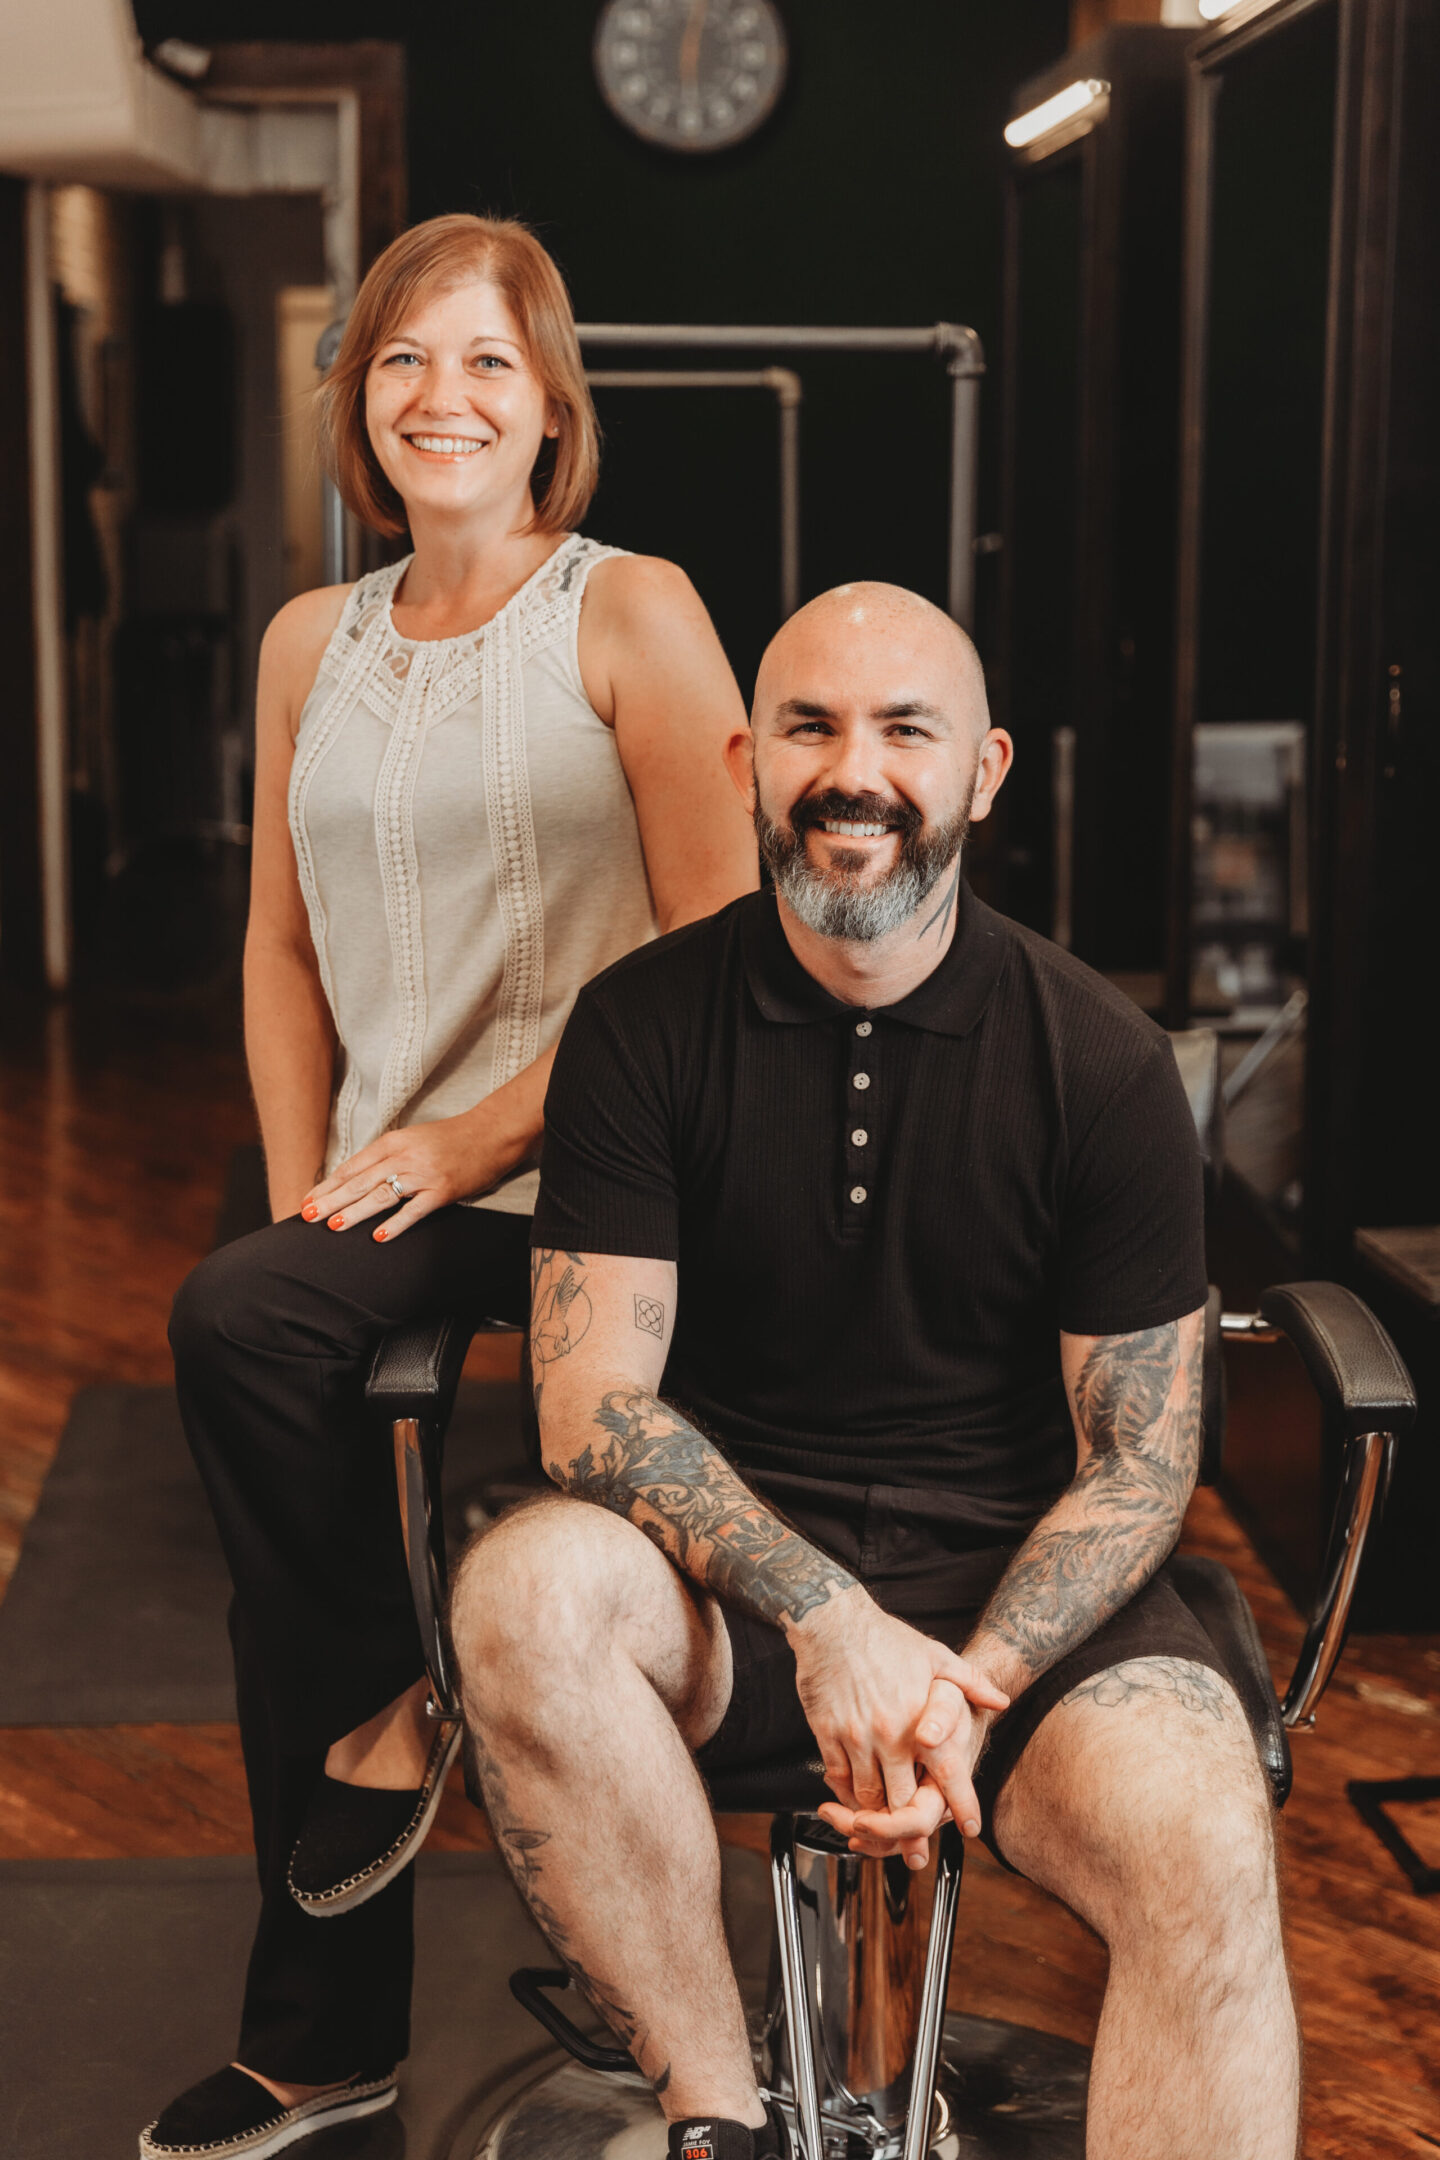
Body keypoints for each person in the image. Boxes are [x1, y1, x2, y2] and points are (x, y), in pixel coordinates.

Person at [451, 583, 1301, 2160]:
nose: (856, 771)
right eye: (811, 728)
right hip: (736, 1601)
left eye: (905, 730)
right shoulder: (639, 1029)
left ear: (982, 770)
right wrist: (829, 1617)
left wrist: (962, 1683)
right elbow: (592, 1407)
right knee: (524, 1591)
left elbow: (1138, 1463)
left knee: (1204, 1840)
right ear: (743, 759)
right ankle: (720, 2118)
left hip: (1025, 1617)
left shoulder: (1100, 1059)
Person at [142, 214, 757, 2160]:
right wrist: (305, 1184)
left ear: (551, 406)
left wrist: (479, 1134)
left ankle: (660, 1993)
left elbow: (718, 943)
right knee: (246, 1326)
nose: (443, 398)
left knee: (597, 1550)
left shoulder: (632, 611)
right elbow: (278, 947)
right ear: (359, 404)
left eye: (486, 360)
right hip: (398, 1182)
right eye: (403, 361)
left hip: (617, 1179)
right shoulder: (304, 644)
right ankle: (337, 1982)